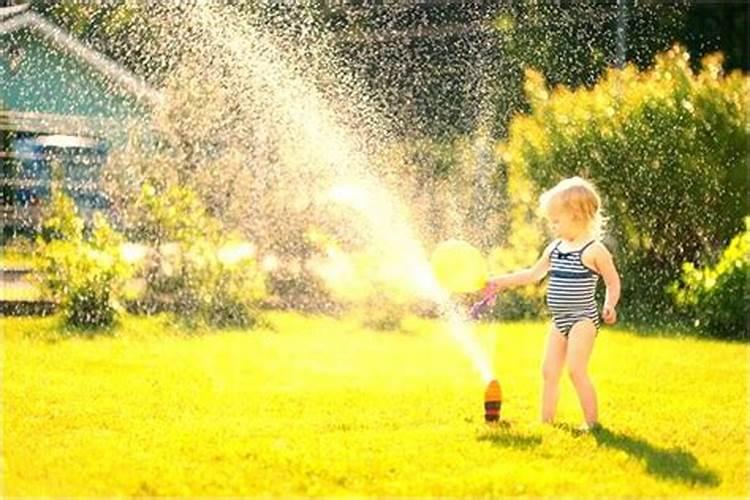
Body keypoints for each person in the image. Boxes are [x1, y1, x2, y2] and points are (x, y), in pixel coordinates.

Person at [475, 176, 621, 430]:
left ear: (576, 215)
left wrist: (609, 304)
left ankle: (592, 423)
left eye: (557, 220)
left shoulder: (594, 250)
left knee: (576, 370)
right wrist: (496, 282)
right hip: (559, 320)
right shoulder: (554, 248)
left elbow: (612, 282)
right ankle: (547, 421)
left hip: (583, 319)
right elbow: (532, 274)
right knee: (549, 371)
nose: (553, 226)